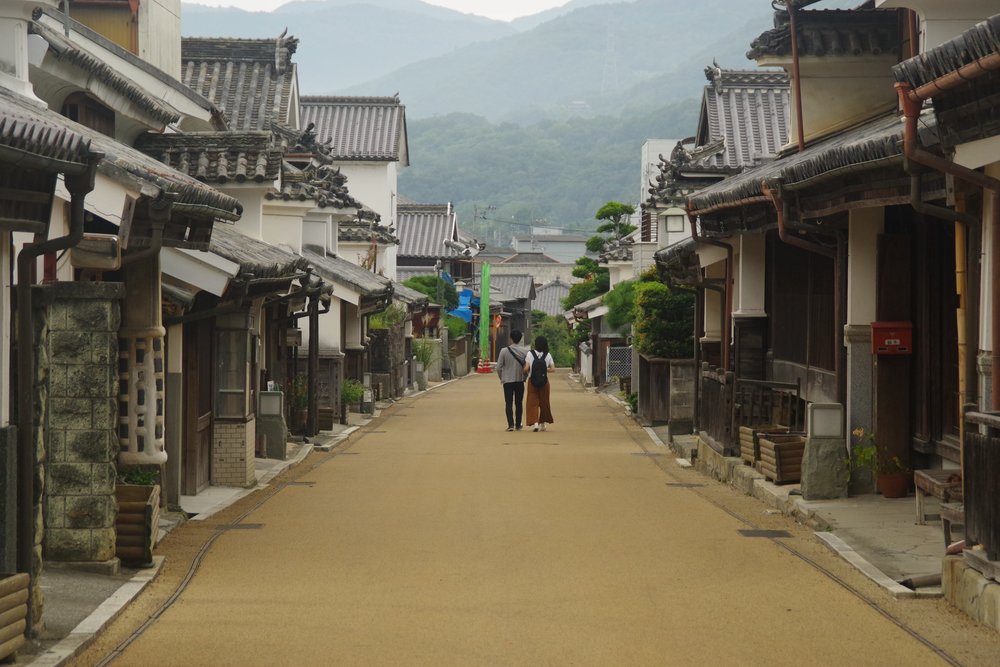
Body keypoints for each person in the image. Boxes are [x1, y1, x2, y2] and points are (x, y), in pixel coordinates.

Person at [495, 330, 527, 431]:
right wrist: (524, 377)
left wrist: (502, 377)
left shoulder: (504, 351)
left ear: (511, 338)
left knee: (508, 403)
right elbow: (527, 367)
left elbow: (498, 367)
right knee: (519, 403)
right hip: (519, 380)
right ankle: (518, 424)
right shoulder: (525, 351)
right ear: (520, 339)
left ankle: (510, 425)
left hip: (507, 381)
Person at [523, 335, 555, 432]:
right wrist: (545, 370)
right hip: (544, 382)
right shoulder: (548, 355)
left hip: (532, 381)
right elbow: (553, 369)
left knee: (532, 402)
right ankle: (543, 423)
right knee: (544, 402)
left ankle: (535, 423)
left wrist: (524, 370)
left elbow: (526, 368)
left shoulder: (530, 354)